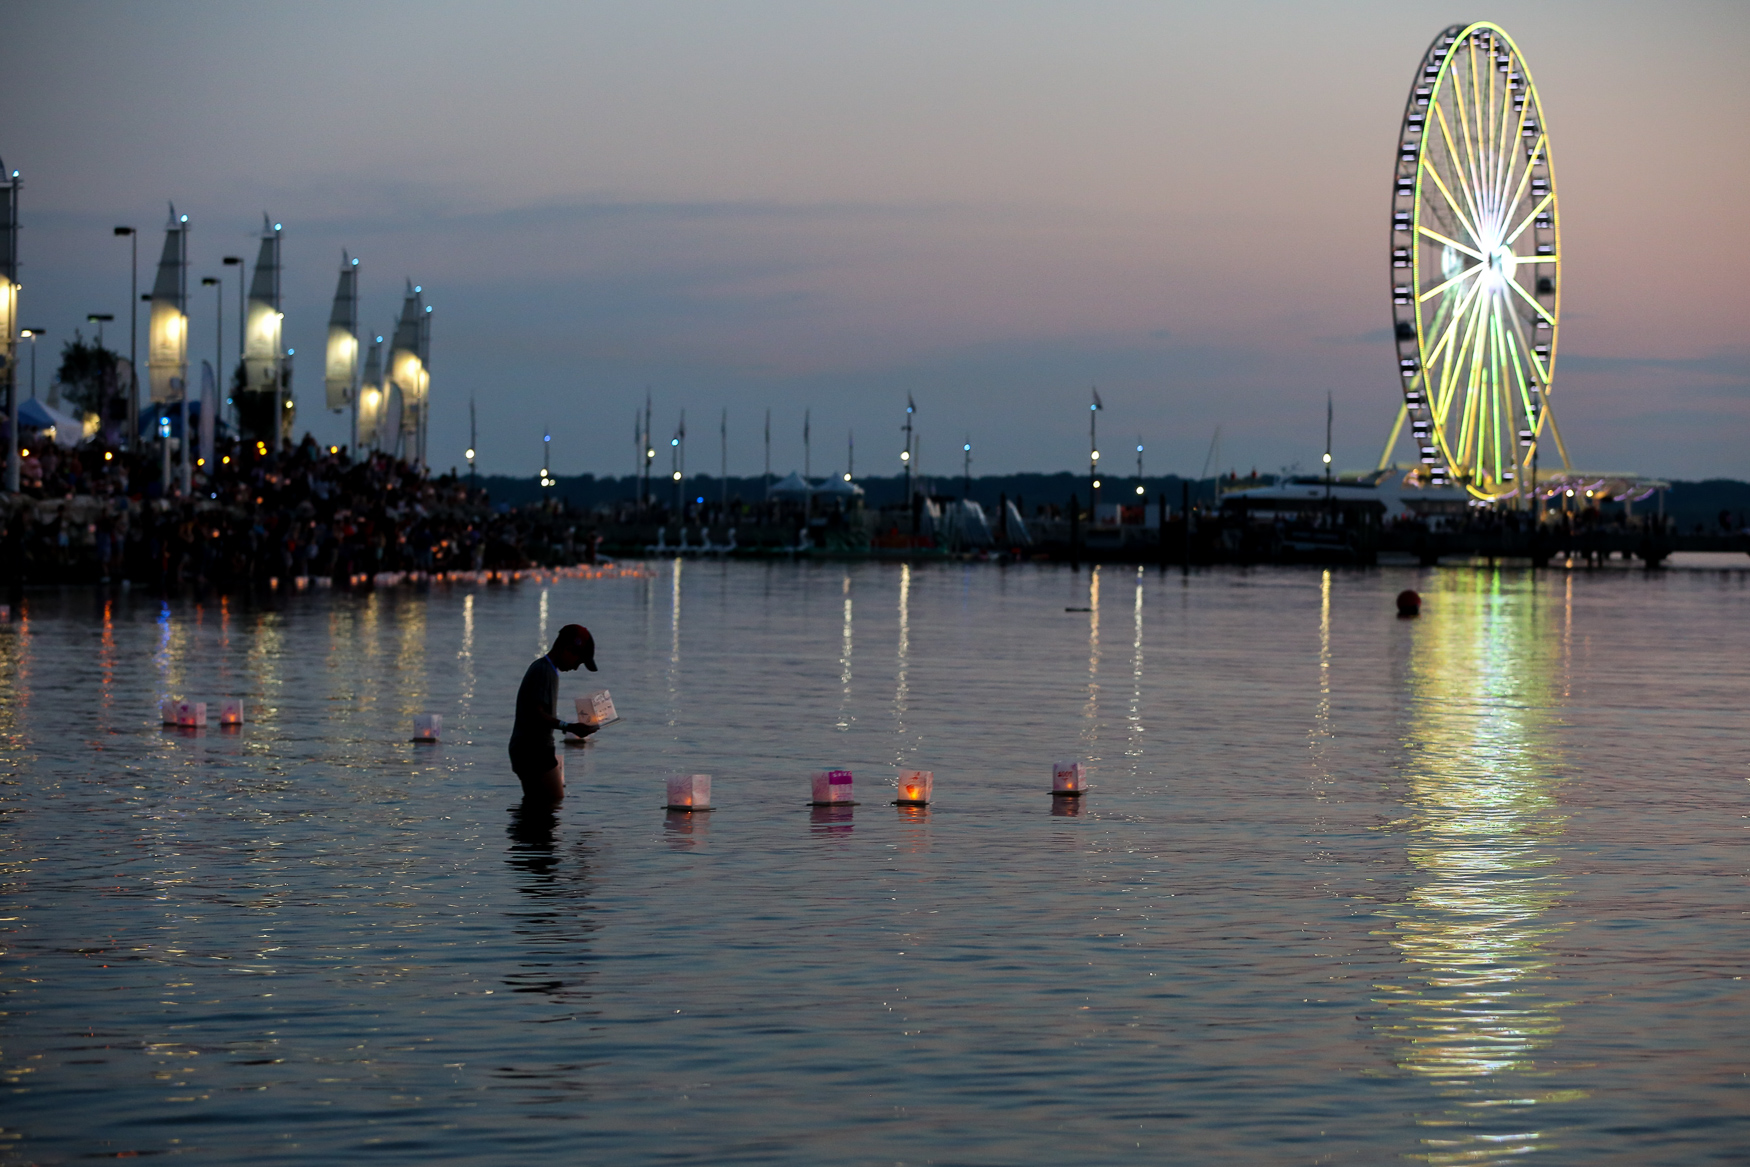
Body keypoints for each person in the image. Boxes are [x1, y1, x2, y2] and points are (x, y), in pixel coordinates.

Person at [509, 624, 598, 801]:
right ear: (567, 649)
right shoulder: (544, 671)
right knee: (552, 803)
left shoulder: (544, 668)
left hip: (528, 749)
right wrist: (570, 726)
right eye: (578, 661)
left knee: (537, 808)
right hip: (534, 751)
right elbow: (537, 713)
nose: (575, 668)